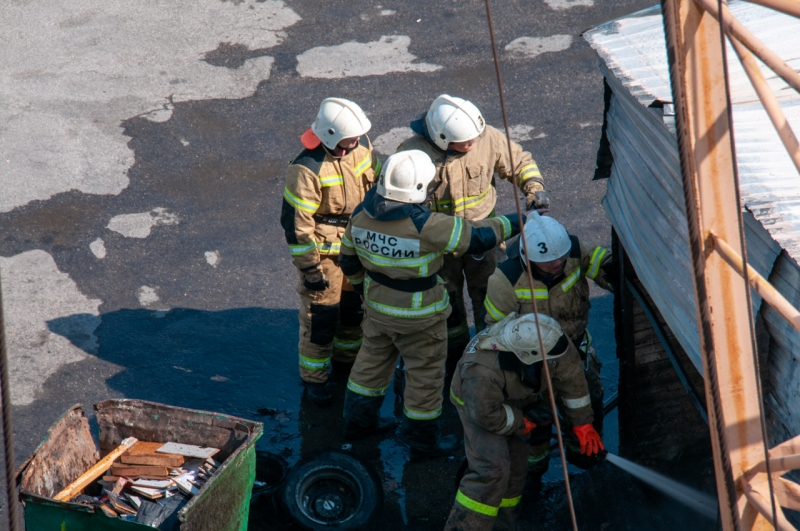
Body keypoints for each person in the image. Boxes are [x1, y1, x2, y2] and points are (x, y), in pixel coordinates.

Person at [338, 150, 525, 459]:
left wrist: (361, 289)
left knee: (369, 366)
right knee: (424, 377)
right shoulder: (426, 225)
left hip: (378, 309)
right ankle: (422, 443)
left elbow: (347, 260)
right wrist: (518, 220)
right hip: (420, 317)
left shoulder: (360, 215)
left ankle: (357, 425)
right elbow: (477, 237)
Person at [396, 94, 550, 374]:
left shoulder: (485, 137)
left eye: (474, 138)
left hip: (484, 240)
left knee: (490, 296)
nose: (472, 144)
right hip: (440, 244)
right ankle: (455, 357)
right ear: (442, 139)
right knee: (447, 301)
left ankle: (489, 354)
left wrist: (534, 189)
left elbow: (519, 162)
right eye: (465, 142)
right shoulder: (411, 152)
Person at [445, 312, 603, 531]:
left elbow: (571, 375)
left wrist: (582, 422)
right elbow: (484, 413)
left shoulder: (548, 336)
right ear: (529, 355)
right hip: (478, 405)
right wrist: (522, 422)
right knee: (493, 470)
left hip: (513, 394)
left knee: (516, 467)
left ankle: (504, 526)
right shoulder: (482, 370)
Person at [483, 213, 613, 471]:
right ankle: (533, 471)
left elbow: (599, 262)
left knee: (587, 406)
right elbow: (495, 333)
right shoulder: (505, 279)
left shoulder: (572, 251)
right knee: (536, 422)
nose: (556, 264)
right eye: (547, 261)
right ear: (527, 257)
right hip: (530, 360)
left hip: (575, 349)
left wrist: (613, 268)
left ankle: (585, 456)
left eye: (560, 258)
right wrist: (521, 372)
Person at [280, 97, 381, 407]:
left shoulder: (361, 149)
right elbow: (297, 227)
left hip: (358, 250)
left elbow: (378, 185)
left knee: (353, 313)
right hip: (325, 259)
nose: (357, 142)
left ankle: (346, 364)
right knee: (321, 320)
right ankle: (315, 379)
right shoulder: (306, 168)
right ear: (332, 136)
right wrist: (310, 270)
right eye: (351, 138)